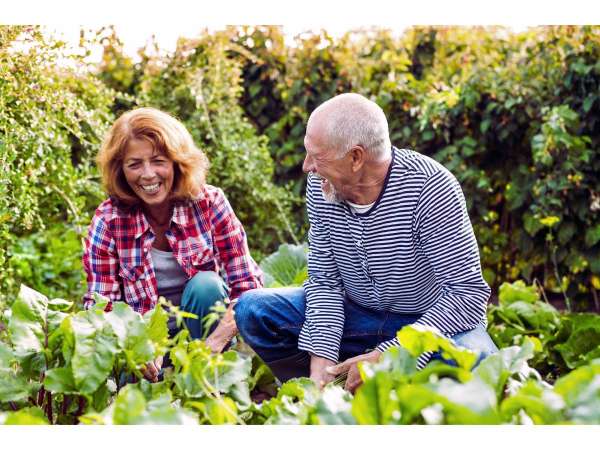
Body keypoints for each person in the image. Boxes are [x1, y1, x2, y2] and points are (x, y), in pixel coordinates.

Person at [234, 93, 498, 393]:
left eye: (316, 155)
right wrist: (320, 370)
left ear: (356, 157)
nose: (307, 166)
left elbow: (467, 294)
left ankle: (390, 380)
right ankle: (336, 385)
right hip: (355, 318)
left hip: (425, 322)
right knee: (252, 311)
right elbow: (325, 283)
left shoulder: (430, 187)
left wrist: (391, 353)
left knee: (480, 361)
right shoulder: (323, 185)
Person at [83, 107, 263, 382]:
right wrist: (138, 347)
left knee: (206, 285)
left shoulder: (209, 203)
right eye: (134, 164)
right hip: (145, 350)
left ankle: (211, 384)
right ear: (120, 170)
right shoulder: (109, 221)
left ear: (177, 162)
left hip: (207, 340)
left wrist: (214, 344)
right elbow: (102, 307)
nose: (148, 175)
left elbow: (248, 288)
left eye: (158, 161)